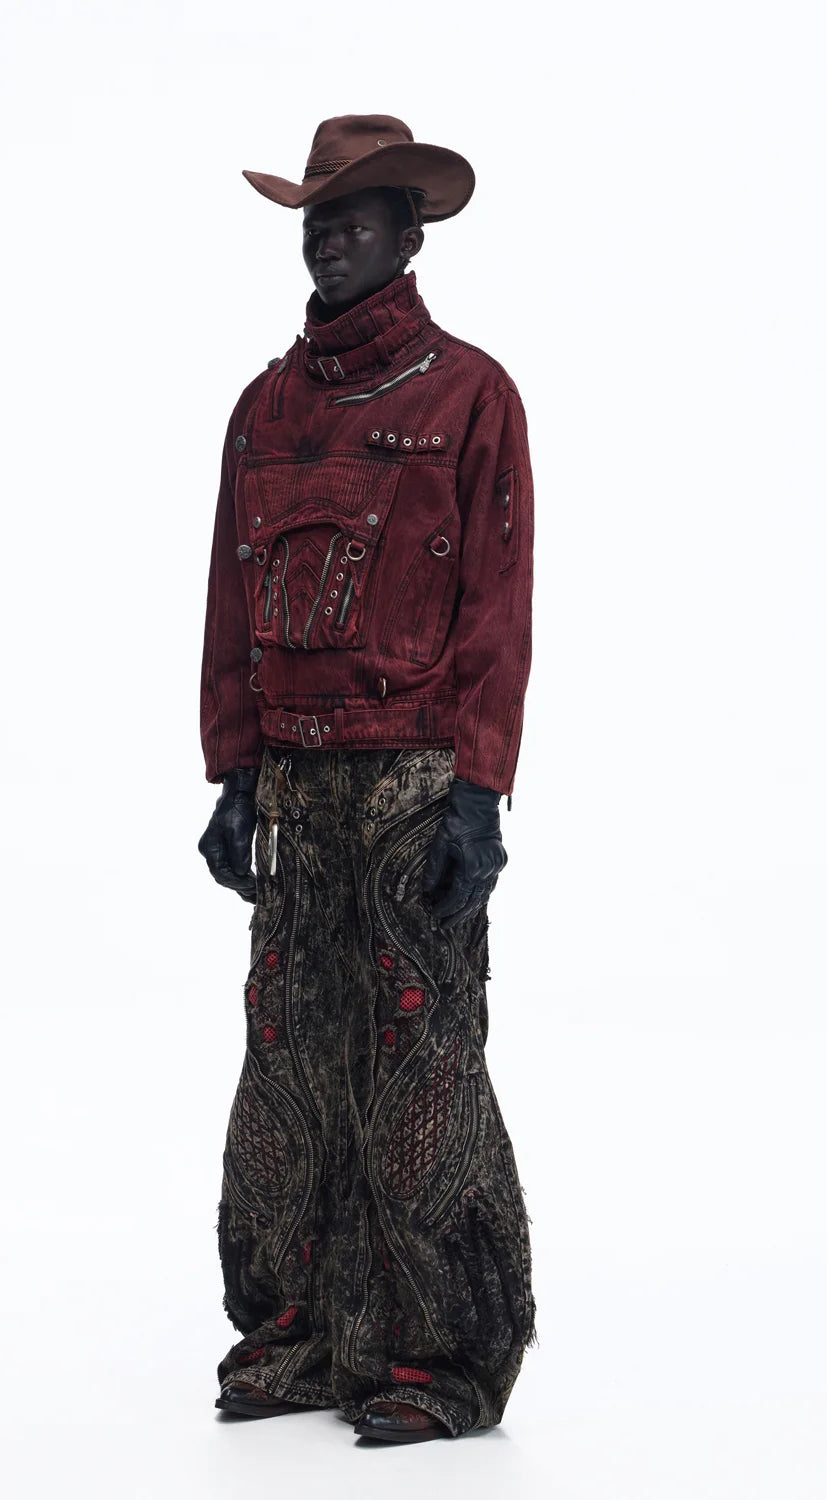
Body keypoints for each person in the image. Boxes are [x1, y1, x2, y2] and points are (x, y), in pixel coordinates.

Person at [197, 114, 536, 1443]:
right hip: (293, 782)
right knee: (288, 1057)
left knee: (420, 1062)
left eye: (355, 217)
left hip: (410, 783)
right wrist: (233, 776)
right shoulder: (265, 409)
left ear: (408, 235)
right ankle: (297, 1334)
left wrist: (479, 795)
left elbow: (498, 608)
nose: (328, 238)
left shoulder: (471, 397)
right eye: (316, 218)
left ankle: (442, 1359)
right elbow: (230, 606)